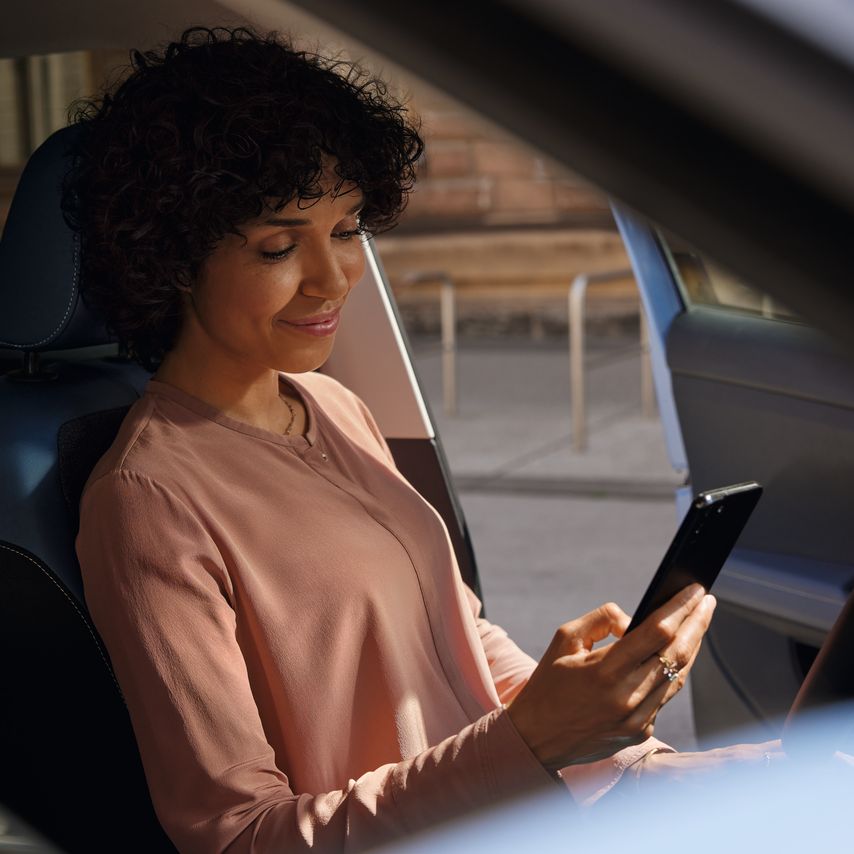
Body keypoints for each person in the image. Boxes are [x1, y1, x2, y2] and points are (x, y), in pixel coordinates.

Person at [68, 26, 773, 854]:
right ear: (175, 257)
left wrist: (625, 753)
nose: (335, 278)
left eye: (347, 228)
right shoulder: (147, 501)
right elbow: (237, 837)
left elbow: (456, 639)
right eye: (279, 245)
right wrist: (538, 743)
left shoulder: (333, 406)